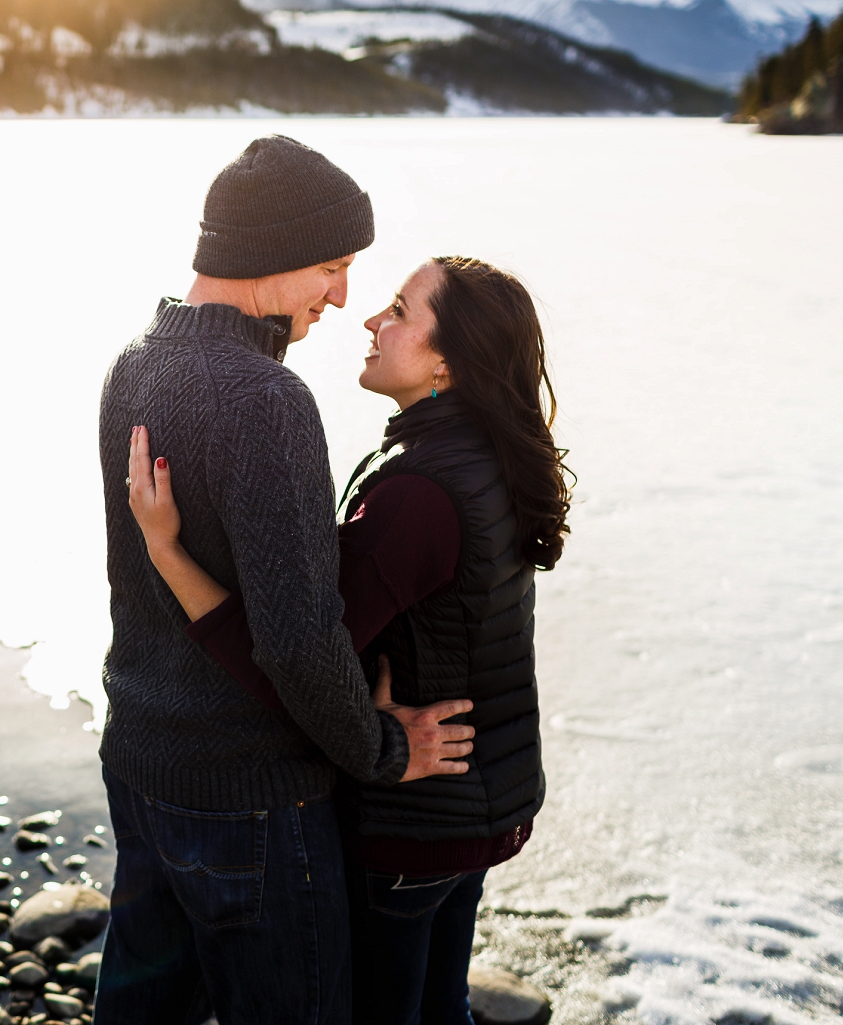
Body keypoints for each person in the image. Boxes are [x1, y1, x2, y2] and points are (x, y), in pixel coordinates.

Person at [127, 255, 571, 1025]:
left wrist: (168, 552)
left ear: (446, 362)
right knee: (439, 1007)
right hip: (479, 804)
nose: (369, 318)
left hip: (416, 821)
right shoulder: (481, 459)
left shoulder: (419, 495)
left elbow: (290, 658)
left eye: (399, 310)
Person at [94, 137, 476, 1025]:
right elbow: (300, 639)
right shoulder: (265, 399)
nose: (342, 296)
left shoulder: (132, 361)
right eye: (333, 266)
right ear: (267, 252)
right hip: (252, 796)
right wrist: (386, 751)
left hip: (141, 759)